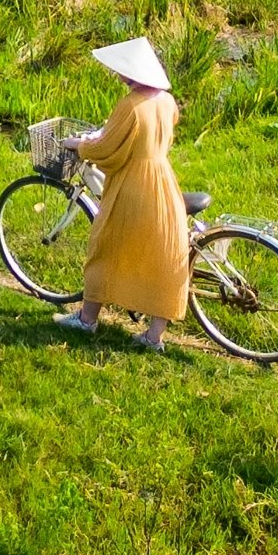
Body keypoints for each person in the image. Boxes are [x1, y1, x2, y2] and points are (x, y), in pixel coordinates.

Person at [58, 37, 189, 351]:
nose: (119, 76)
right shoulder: (167, 101)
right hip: (163, 180)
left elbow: (105, 149)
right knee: (164, 257)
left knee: (106, 246)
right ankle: (153, 336)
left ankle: (87, 320)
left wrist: (78, 145)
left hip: (133, 186)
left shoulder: (129, 105)